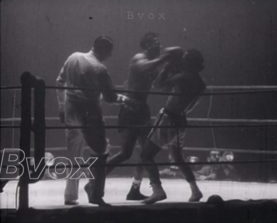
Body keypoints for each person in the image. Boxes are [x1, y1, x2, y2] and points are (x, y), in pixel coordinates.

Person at [105, 32, 179, 200]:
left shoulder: (154, 64)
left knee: (145, 151)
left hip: (141, 110)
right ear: (146, 45)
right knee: (126, 153)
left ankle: (138, 189)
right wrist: (166, 57)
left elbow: (160, 85)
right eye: (154, 42)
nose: (159, 46)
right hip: (130, 109)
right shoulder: (139, 58)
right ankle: (95, 181)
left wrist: (167, 67)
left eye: (159, 43)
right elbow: (146, 67)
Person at [56, 36, 129, 206]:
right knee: (101, 152)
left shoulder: (73, 57)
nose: (110, 56)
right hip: (89, 113)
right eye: (109, 52)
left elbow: (60, 81)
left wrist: (61, 106)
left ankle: (70, 196)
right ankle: (95, 193)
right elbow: (110, 97)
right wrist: (124, 99)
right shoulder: (99, 68)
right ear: (104, 50)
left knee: (74, 154)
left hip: (70, 110)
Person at [141, 48, 206, 204]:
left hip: (169, 119)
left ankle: (158, 191)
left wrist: (167, 67)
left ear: (188, 62)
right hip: (181, 120)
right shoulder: (200, 83)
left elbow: (157, 85)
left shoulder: (183, 77)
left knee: (146, 155)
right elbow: (191, 106)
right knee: (177, 157)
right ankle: (195, 191)